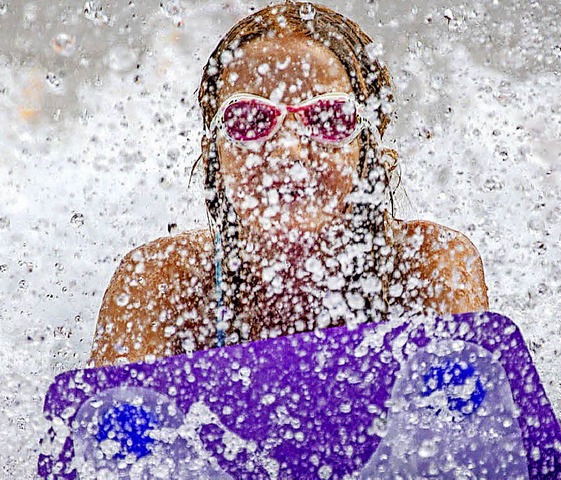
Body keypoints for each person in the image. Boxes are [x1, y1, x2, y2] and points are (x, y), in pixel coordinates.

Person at [90, 1, 488, 367]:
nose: (288, 151)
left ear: (368, 147)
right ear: (213, 151)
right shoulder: (161, 282)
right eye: (249, 120)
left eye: (328, 118)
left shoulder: (426, 267)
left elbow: (467, 434)